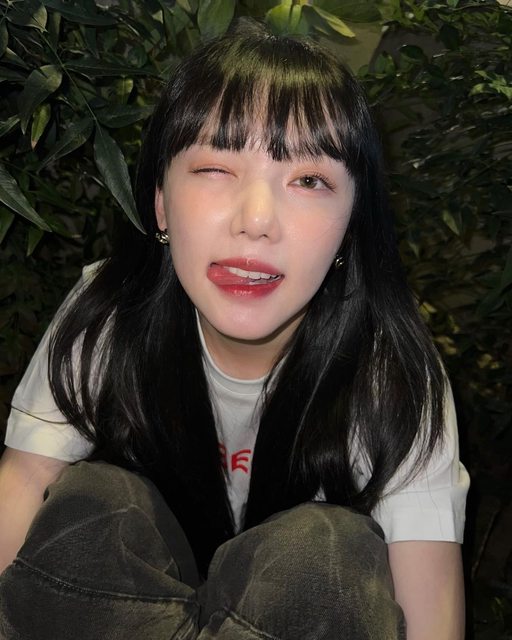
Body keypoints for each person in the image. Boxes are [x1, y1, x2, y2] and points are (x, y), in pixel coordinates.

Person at [0, 19, 468, 640]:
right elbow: (25, 481)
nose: (257, 220)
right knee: (99, 506)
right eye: (216, 168)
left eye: (309, 180)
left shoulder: (389, 369)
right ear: (161, 203)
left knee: (325, 550)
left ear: (350, 226)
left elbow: (430, 604)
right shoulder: (109, 310)